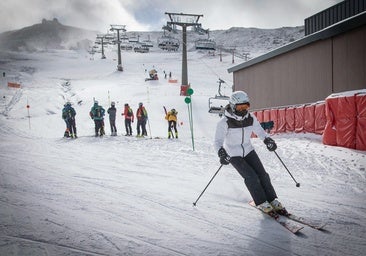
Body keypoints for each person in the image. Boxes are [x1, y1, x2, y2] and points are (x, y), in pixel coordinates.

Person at [214, 91, 284, 214]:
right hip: (233, 154)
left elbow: (260, 131)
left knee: (263, 174)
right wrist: (221, 152)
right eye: (240, 107)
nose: (243, 110)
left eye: (245, 106)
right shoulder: (224, 122)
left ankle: (272, 199)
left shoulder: (250, 118)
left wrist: (267, 140)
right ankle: (262, 202)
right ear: (232, 105)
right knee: (251, 177)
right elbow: (217, 141)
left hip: (248, 150)